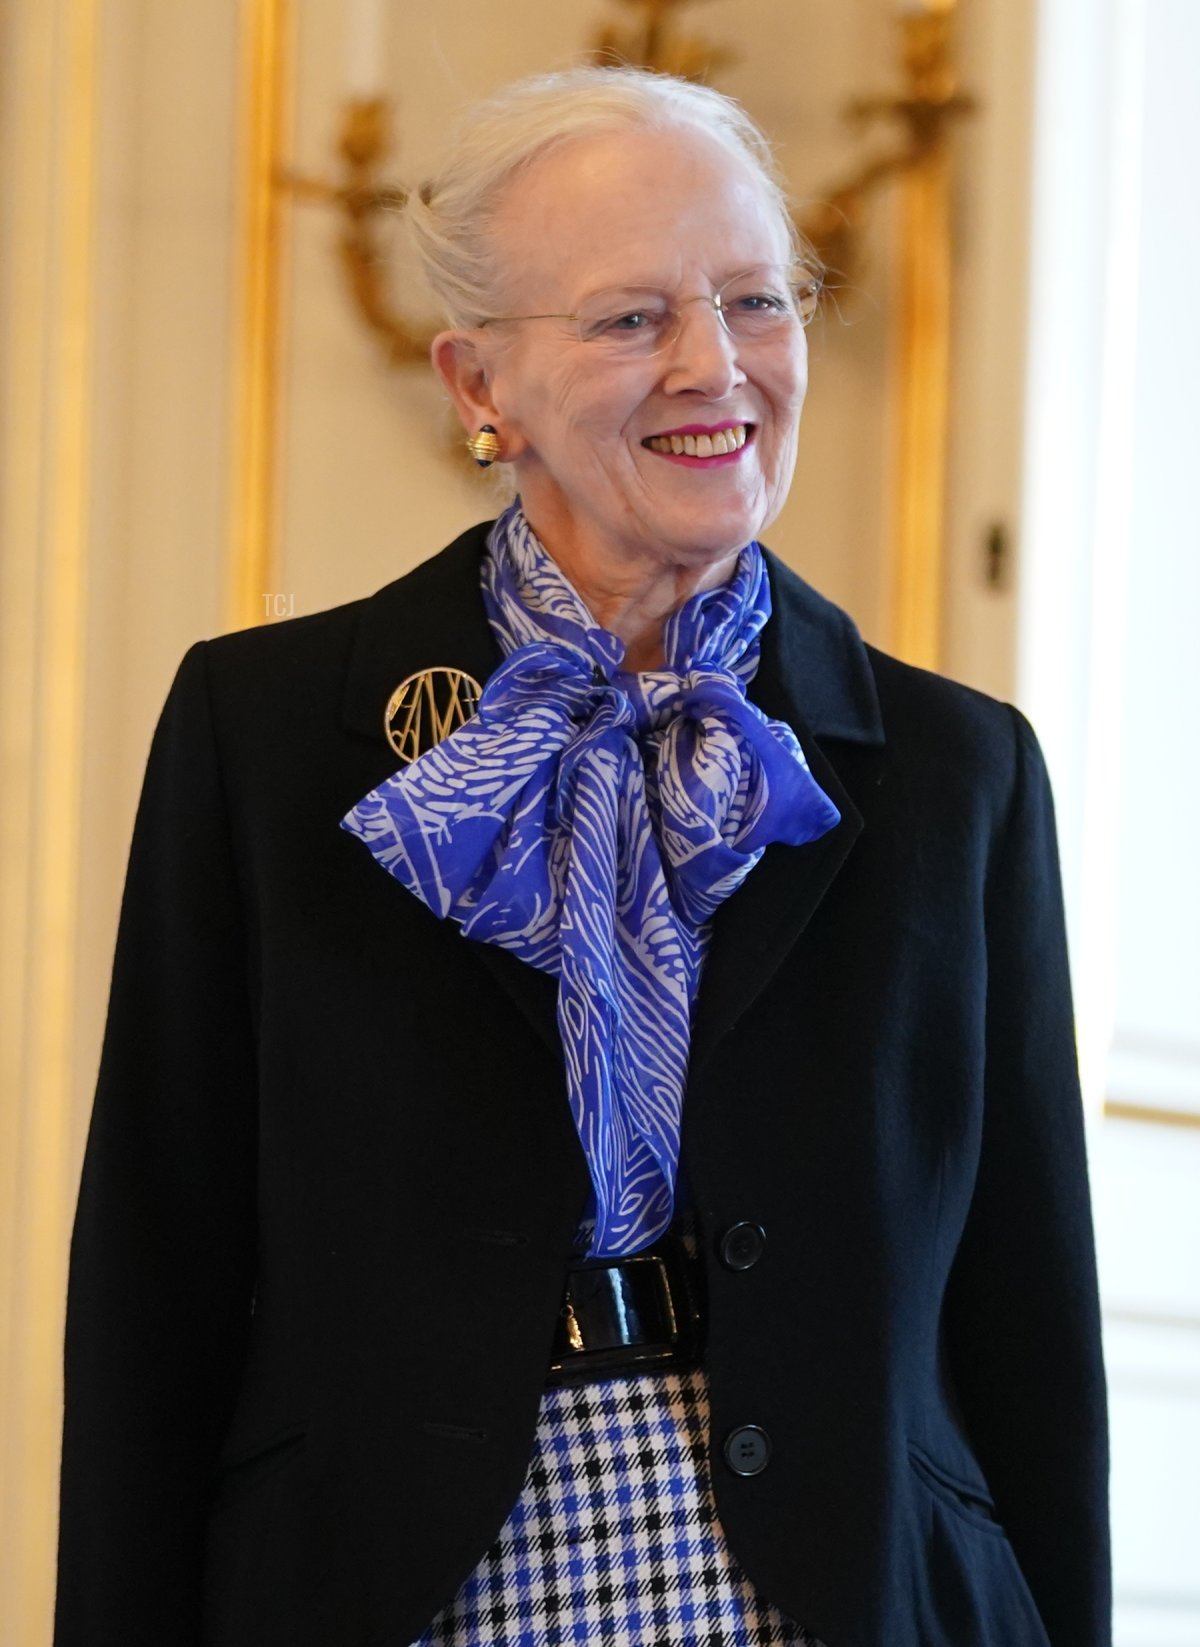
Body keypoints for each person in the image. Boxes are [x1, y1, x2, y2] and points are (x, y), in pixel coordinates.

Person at [53, 64, 1111, 1647]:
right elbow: (160, 1283)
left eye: (759, 300)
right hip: (399, 1585)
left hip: (853, 1588)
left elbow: (1030, 1327)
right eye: (630, 320)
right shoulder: (261, 736)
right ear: (479, 381)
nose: (717, 366)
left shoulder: (964, 775)